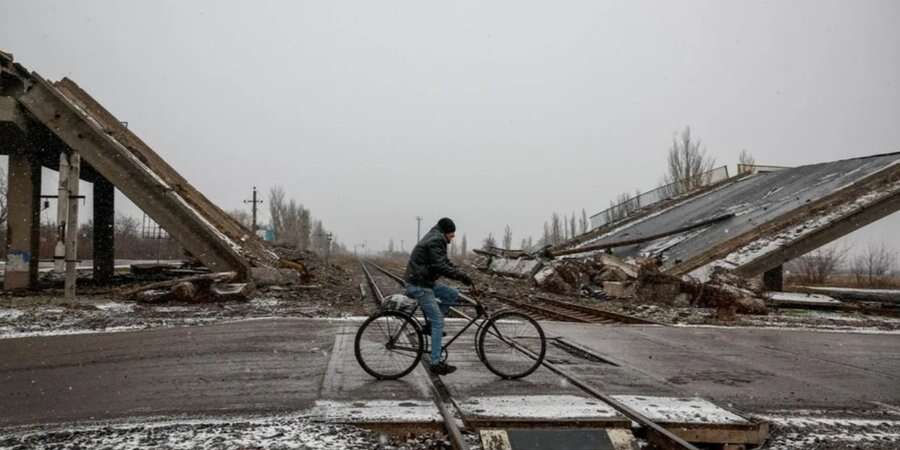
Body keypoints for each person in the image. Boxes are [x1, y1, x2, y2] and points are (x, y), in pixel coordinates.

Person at [404, 217, 473, 375]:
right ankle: (435, 363)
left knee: (452, 294)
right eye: (452, 234)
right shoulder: (436, 240)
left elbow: (444, 262)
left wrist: (460, 273)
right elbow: (439, 266)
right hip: (419, 284)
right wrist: (461, 277)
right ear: (446, 232)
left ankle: (431, 327)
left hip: (424, 281)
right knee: (438, 322)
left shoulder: (435, 237)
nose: (453, 237)